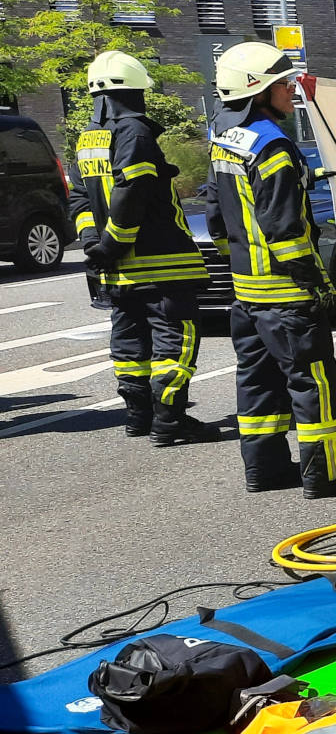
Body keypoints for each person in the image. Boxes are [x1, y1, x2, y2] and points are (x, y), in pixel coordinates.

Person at [206, 41, 336, 498]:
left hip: (247, 293)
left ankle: (265, 470)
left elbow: (219, 214)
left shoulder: (223, 135)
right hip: (286, 294)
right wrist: (315, 281)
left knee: (256, 382)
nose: (292, 90)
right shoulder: (273, 144)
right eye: (284, 83)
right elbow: (285, 230)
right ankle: (325, 474)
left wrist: (239, 256)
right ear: (260, 91)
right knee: (312, 382)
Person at [68, 51, 218, 445]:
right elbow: (131, 191)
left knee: (131, 345)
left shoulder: (87, 138)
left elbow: (81, 198)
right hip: (161, 264)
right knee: (176, 341)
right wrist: (114, 243)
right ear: (136, 91)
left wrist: (93, 242)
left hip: (118, 272)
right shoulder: (135, 132)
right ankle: (170, 421)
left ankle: (139, 417)